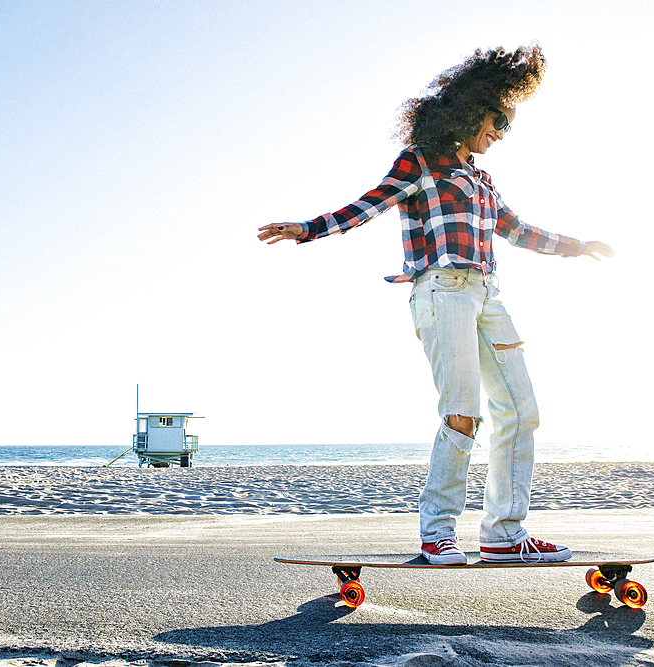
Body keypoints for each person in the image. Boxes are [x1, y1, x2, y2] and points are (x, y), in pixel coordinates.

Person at [257, 43, 613, 565]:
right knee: (462, 411)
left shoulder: (484, 181)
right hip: (442, 289)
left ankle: (504, 533)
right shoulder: (421, 161)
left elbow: (517, 230)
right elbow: (370, 204)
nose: (502, 132)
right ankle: (437, 531)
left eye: (508, 125)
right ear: (470, 110)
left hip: (488, 294)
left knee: (521, 409)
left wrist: (577, 246)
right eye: (499, 120)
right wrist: (309, 229)